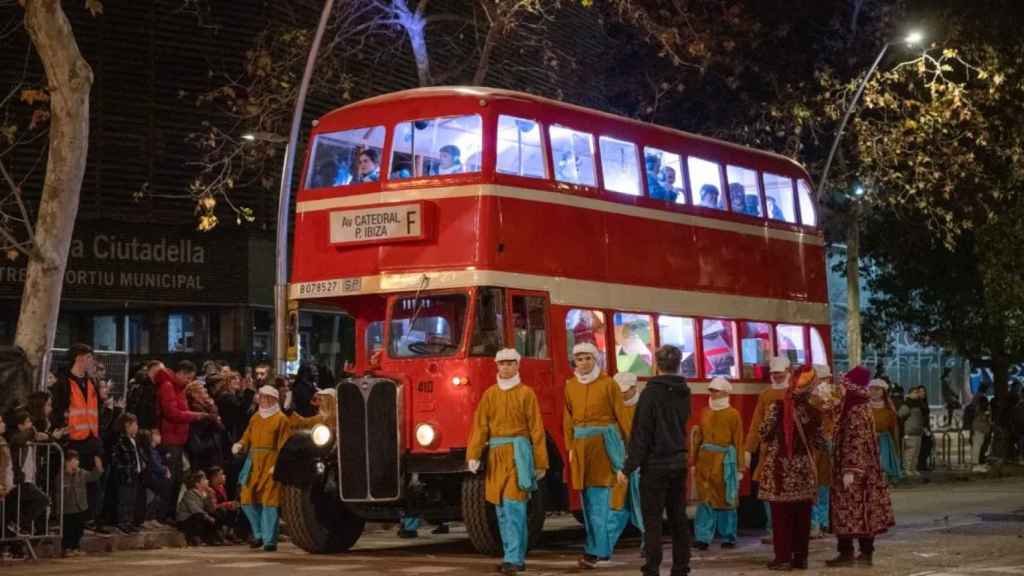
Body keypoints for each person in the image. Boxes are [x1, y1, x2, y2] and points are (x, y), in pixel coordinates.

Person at [466, 348, 548, 575]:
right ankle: (514, 556)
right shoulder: (489, 394)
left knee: (515, 506)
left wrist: (540, 461)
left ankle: (513, 558)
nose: (506, 367)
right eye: (502, 363)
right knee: (501, 509)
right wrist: (473, 454)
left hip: (518, 454)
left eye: (511, 363)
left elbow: (536, 429)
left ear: (518, 366)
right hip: (495, 455)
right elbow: (480, 425)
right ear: (497, 366)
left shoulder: (526, 394)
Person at [619, 345, 691, 576]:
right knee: (678, 517)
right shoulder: (684, 391)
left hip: (655, 466)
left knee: (653, 521)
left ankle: (652, 568)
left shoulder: (650, 393)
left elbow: (642, 433)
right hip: (679, 462)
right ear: (679, 363)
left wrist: (628, 467)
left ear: (655, 365)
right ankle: (681, 567)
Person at [563, 342, 630, 569]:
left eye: (588, 358)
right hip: (581, 448)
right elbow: (567, 419)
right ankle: (598, 548)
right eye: (579, 359)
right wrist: (571, 447)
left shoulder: (608, 384)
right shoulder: (570, 386)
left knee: (601, 500)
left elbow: (622, 417)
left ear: (596, 360)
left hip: (604, 446)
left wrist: (627, 450)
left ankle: (596, 551)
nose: (583, 363)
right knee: (587, 502)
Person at [827, 366, 895, 568]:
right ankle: (848, 551)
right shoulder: (856, 405)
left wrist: (850, 468)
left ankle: (862, 552)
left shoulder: (856, 409)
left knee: (859, 511)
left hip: (857, 472)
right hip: (859, 469)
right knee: (848, 511)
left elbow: (855, 440)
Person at [757, 365, 824, 571]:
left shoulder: (777, 406)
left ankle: (783, 558)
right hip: (803, 471)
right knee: (802, 516)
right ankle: (800, 558)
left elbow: (764, 432)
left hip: (779, 470)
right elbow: (820, 441)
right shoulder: (814, 411)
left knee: (781, 517)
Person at [50, 344, 103, 526]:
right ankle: (69, 525)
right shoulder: (63, 383)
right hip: (72, 441)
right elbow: (57, 411)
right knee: (72, 486)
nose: (92, 362)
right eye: (90, 357)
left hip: (91, 439)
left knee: (93, 482)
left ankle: (88, 520)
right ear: (80, 358)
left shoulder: (91, 382)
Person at [233, 385, 291, 552]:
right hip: (253, 462)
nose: (264, 401)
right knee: (246, 498)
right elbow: (247, 436)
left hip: (271, 462)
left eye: (268, 398)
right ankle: (258, 532)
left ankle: (269, 540)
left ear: (274, 399)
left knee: (269, 501)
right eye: (262, 397)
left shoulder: (281, 419)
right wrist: (240, 445)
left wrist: (278, 465)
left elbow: (284, 445)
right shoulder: (255, 418)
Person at [691, 376, 742, 551]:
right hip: (705, 461)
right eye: (711, 390)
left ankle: (728, 536)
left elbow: (738, 441)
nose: (712, 394)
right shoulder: (705, 411)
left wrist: (739, 467)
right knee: (705, 499)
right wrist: (694, 461)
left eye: (716, 390)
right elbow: (698, 437)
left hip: (724, 462)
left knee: (726, 499)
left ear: (726, 392)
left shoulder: (733, 414)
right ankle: (702, 537)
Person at [745, 355, 792, 544]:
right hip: (768, 451)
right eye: (774, 374)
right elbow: (757, 422)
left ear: (788, 372)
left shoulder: (794, 393)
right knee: (767, 490)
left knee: (790, 491)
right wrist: (749, 449)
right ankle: (773, 528)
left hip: (790, 451)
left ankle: (788, 529)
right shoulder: (765, 395)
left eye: (780, 373)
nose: (777, 376)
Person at [155, 360, 212, 503]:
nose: (189, 381)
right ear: (180, 373)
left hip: (178, 440)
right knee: (171, 477)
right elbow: (172, 413)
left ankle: (169, 513)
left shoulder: (178, 388)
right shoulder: (168, 386)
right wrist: (196, 416)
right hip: (170, 440)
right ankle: (162, 514)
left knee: (178, 477)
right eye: (188, 378)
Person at [608, 372, 643, 556]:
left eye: (625, 391)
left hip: (639, 462)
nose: (621, 395)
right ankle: (605, 546)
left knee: (643, 504)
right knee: (617, 503)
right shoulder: (613, 407)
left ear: (634, 388)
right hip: (620, 461)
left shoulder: (644, 407)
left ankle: (649, 543)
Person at [809, 364, 839, 538]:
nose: (823, 382)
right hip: (814, 446)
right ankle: (815, 523)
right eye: (820, 379)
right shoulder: (809, 400)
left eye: (826, 378)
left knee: (825, 486)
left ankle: (826, 521)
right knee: (814, 486)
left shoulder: (837, 396)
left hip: (830, 445)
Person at [62, 450, 103, 556]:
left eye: (77, 460)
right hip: (68, 508)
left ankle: (76, 547)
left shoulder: (81, 473)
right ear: (67, 462)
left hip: (80, 506)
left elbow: (93, 477)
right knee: (68, 529)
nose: (77, 462)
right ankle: (67, 548)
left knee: (79, 529)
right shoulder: (62, 475)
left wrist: (98, 468)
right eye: (74, 460)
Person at [112, 413, 145, 533]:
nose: (137, 427)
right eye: (135, 424)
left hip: (134, 474)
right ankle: (122, 522)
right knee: (124, 499)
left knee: (132, 499)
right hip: (126, 475)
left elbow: (137, 455)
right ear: (127, 425)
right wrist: (126, 470)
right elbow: (118, 460)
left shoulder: (134, 440)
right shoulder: (121, 441)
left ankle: (129, 521)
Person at [868, 379, 902, 483]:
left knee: (883, 466)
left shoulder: (889, 410)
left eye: (877, 389)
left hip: (884, 442)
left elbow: (894, 430)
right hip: (868, 441)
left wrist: (896, 448)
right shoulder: (864, 408)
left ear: (883, 392)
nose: (874, 392)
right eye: (871, 389)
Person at [138, 429, 174, 524]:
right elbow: (155, 465)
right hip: (151, 478)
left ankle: (152, 518)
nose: (160, 436)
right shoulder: (149, 450)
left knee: (158, 496)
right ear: (152, 437)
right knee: (161, 492)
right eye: (157, 434)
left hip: (156, 477)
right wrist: (165, 470)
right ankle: (149, 518)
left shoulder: (154, 450)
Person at [177, 470, 220, 546]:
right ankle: (195, 538)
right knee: (199, 515)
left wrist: (210, 495)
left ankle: (212, 538)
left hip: (198, 517)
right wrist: (208, 517)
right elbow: (194, 510)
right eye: (204, 480)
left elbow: (211, 509)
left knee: (216, 514)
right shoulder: (189, 493)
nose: (207, 481)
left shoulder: (204, 494)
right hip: (185, 520)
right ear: (197, 484)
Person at [898, 386, 929, 478]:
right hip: (910, 431)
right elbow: (900, 415)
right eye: (915, 392)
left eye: (918, 392)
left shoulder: (919, 403)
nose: (918, 394)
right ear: (910, 393)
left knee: (916, 453)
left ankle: (913, 468)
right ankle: (907, 469)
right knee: (909, 452)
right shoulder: (907, 404)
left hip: (918, 431)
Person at [970, 395, 992, 473]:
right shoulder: (980, 411)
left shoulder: (982, 410)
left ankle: (980, 463)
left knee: (980, 447)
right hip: (979, 430)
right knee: (977, 447)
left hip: (981, 430)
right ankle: (975, 465)